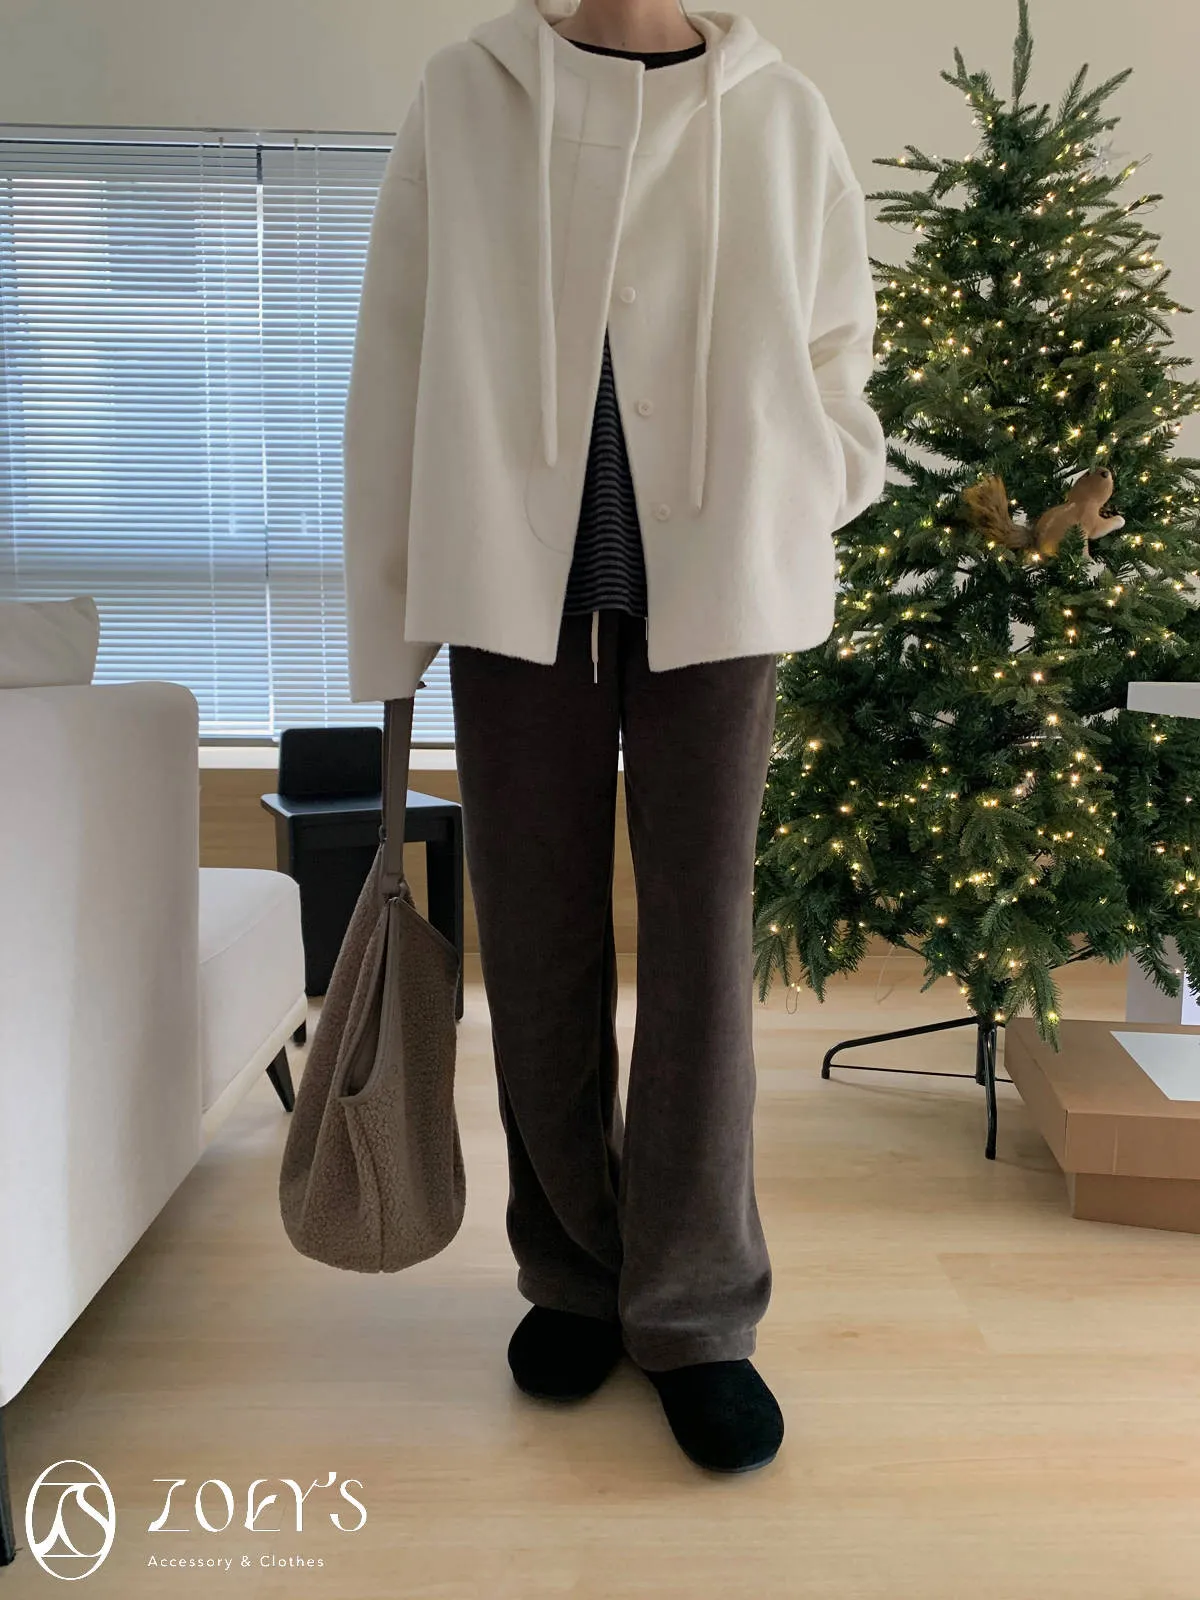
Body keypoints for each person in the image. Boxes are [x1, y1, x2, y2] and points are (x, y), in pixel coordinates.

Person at [341, 0, 886, 1474]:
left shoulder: (780, 110)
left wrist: (807, 481)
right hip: (508, 590)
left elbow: (840, 342)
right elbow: (395, 356)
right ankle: (574, 1272)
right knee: (536, 939)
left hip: (727, 588)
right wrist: (387, 623)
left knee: (703, 944)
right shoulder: (467, 95)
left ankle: (697, 1308)